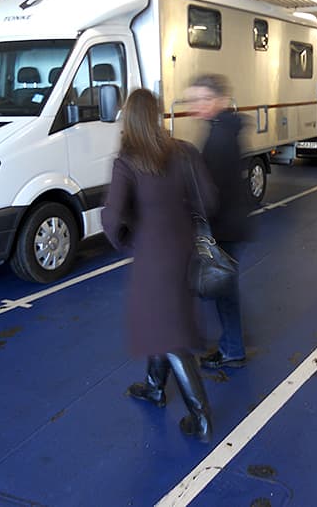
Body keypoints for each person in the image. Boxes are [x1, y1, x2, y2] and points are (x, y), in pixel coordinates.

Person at [102, 88, 216, 443]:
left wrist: (126, 241)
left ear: (128, 119)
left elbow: (112, 217)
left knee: (167, 333)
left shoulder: (128, 160)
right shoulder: (182, 151)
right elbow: (208, 198)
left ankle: (201, 417)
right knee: (162, 319)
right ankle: (154, 386)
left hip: (153, 254)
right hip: (183, 247)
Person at [185, 74, 250, 370]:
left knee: (222, 289)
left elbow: (212, 190)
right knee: (225, 288)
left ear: (220, 100)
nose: (198, 105)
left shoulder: (220, 137)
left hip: (223, 226)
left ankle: (232, 350)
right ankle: (230, 345)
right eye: (194, 100)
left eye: (203, 99)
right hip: (230, 223)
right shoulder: (222, 128)